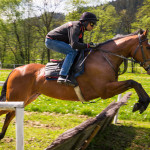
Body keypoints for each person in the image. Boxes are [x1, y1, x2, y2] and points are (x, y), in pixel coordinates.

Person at [45, 12, 99, 86]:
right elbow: (74, 45)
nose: (93, 27)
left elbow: (80, 46)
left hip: (55, 40)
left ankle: (70, 71)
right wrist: (88, 45)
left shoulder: (81, 29)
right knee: (72, 52)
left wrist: (90, 47)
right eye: (92, 24)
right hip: (51, 41)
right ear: (85, 22)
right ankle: (62, 76)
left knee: (76, 51)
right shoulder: (75, 27)